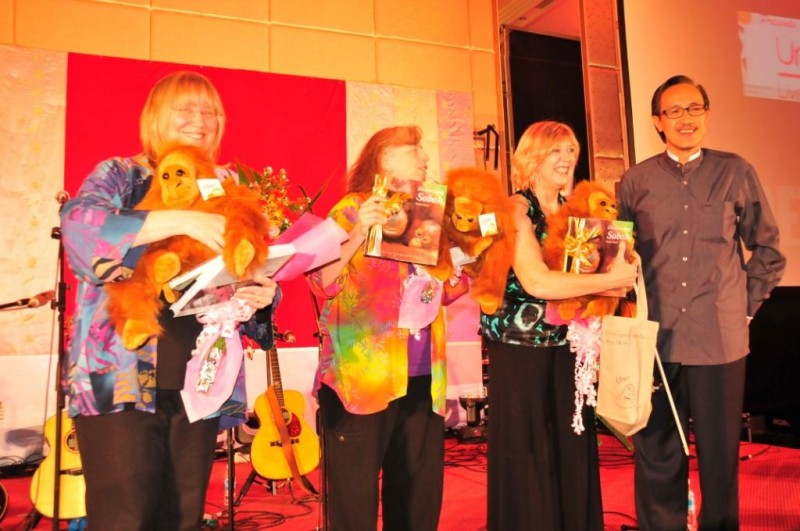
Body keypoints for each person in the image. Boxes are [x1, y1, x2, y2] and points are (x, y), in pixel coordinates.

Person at [60, 71, 278, 530]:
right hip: (120, 382)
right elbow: (81, 230)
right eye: (187, 109)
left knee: (183, 517)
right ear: (157, 116)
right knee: (124, 517)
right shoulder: (121, 174)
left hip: (198, 383)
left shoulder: (223, 187)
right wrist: (180, 218)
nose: (202, 121)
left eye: (211, 112)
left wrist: (259, 291)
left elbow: (237, 270)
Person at [617, 74, 786, 530]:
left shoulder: (735, 171)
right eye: (674, 111)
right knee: (657, 454)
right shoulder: (635, 181)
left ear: (707, 116)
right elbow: (618, 258)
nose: (685, 119)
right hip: (658, 341)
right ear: (657, 121)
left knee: (719, 455)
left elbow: (768, 249)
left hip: (720, 339)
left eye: (694, 109)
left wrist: (744, 308)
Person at [306, 125, 467, 531]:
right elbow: (320, 280)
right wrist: (359, 229)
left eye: (423, 149)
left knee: (417, 495)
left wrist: (471, 259)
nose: (424, 156)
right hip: (363, 378)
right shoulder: (354, 207)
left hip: (422, 376)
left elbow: (442, 293)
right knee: (353, 500)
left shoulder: (429, 216)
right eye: (413, 149)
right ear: (383, 158)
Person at [480, 121, 638, 531]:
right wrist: (611, 281)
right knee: (529, 455)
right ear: (531, 157)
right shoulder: (515, 209)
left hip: (569, 347)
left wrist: (622, 262)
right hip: (520, 351)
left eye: (571, 151)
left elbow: (591, 273)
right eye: (556, 151)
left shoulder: (578, 211)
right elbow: (537, 281)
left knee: (572, 450)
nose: (567, 159)